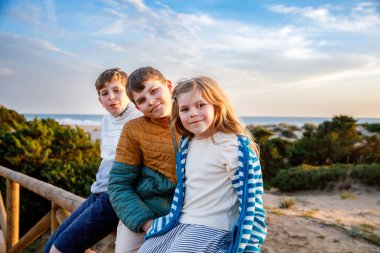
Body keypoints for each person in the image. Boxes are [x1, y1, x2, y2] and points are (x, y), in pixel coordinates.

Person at [138, 76, 267, 253]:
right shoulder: (187, 144)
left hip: (213, 227)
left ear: (217, 105)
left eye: (200, 105)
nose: (193, 113)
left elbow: (252, 202)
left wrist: (250, 248)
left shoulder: (232, 146)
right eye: (185, 109)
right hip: (180, 223)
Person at [44, 68, 142, 253]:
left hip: (116, 198)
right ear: (100, 101)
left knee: (58, 251)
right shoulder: (105, 121)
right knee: (49, 247)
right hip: (97, 193)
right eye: (105, 93)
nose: (111, 97)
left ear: (128, 92)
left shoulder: (139, 118)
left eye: (117, 90)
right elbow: (107, 160)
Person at [108, 66, 179, 253]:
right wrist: (146, 223)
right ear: (137, 107)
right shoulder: (133, 130)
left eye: (154, 91)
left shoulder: (194, 118)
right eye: (142, 100)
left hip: (190, 213)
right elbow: (119, 185)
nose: (151, 101)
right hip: (146, 211)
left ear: (169, 86)